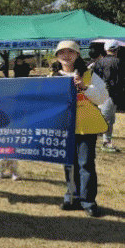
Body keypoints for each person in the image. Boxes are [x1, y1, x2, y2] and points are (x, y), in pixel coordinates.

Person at [53, 40, 108, 217]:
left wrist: (84, 87)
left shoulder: (89, 75)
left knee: (86, 164)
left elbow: (102, 98)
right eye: (62, 52)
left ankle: (88, 201)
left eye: (70, 52)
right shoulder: (52, 77)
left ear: (77, 55)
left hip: (86, 126)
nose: (66, 55)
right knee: (69, 165)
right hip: (64, 127)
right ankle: (72, 198)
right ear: (57, 56)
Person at [92, 39, 121, 152]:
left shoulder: (99, 62)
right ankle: (104, 142)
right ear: (117, 49)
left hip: (100, 93)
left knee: (107, 118)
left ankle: (106, 141)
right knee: (106, 119)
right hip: (111, 94)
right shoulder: (119, 62)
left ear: (105, 49)